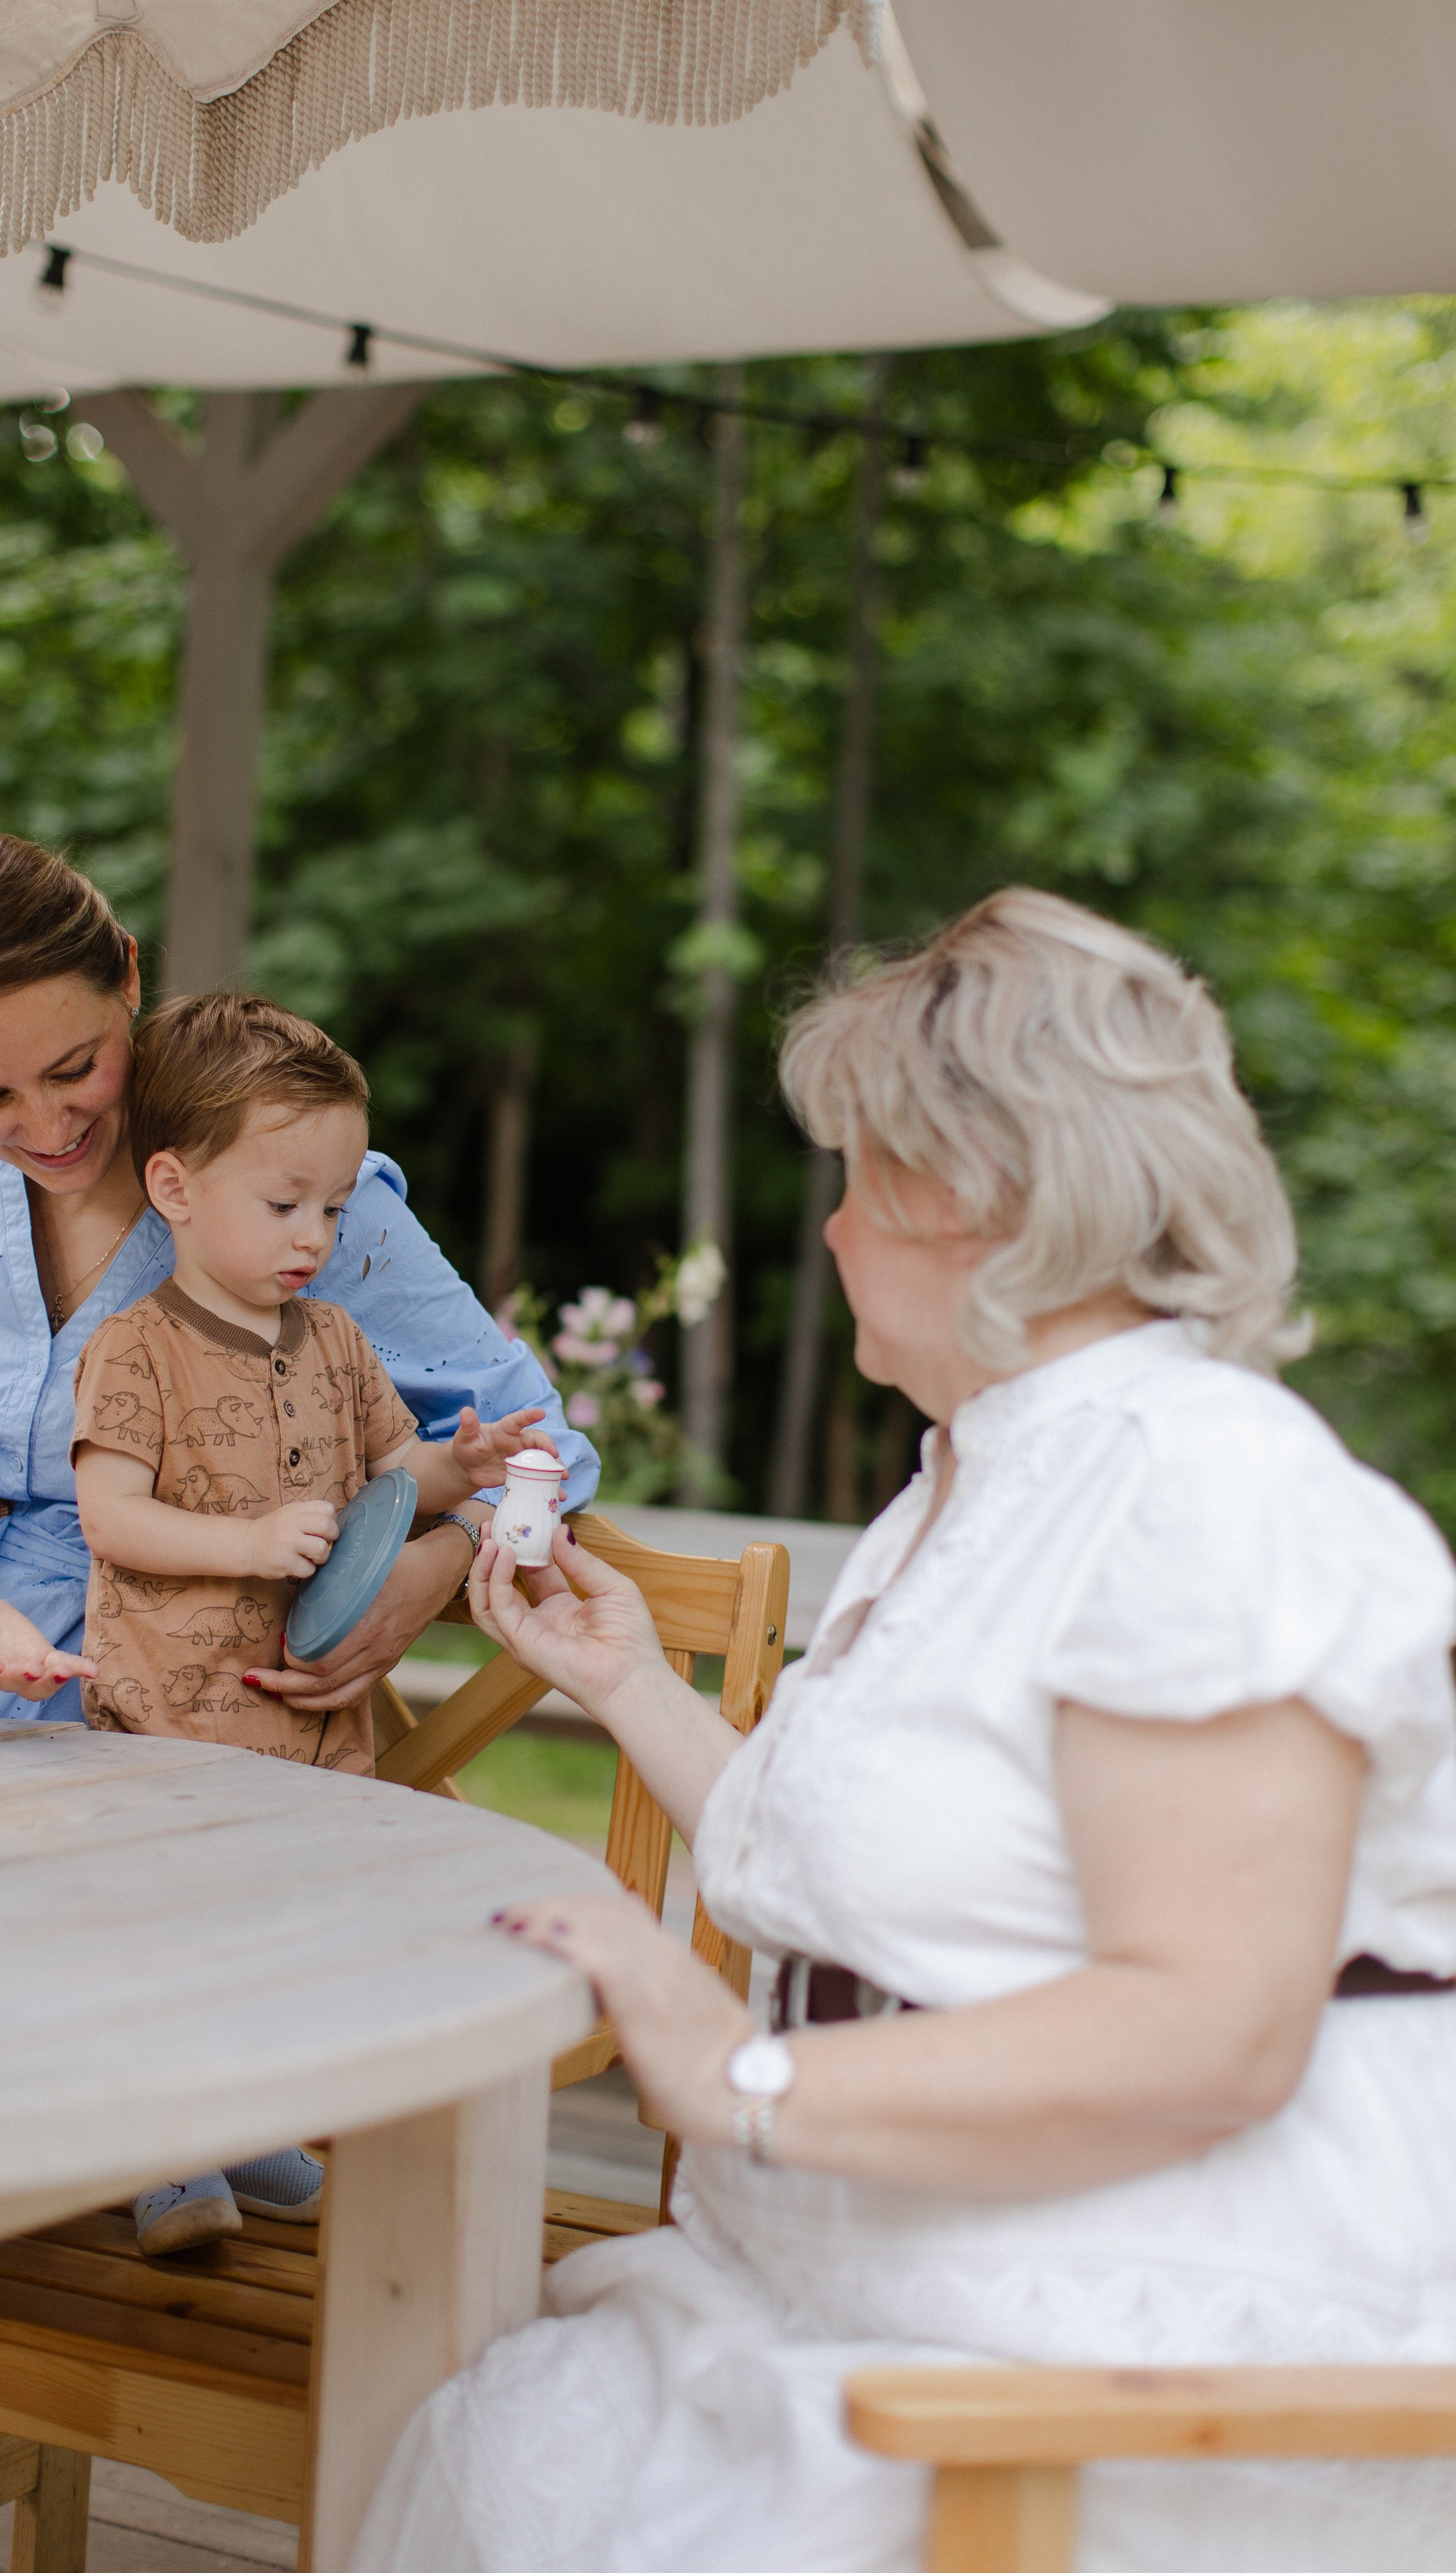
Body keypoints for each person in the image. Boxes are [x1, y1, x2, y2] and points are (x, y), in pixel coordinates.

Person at [352, 888, 1456, 2573]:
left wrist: (736, 2072)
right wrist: (628, 1681)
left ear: (964, 1193)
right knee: (483, 2429)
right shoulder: (980, 1479)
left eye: (855, 1181)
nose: (831, 1232)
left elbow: (1209, 2028)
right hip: (868, 2293)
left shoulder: (1200, 1485)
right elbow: (863, 1875)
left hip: (1118, 2372)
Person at [0, 832, 598, 1733]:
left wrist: (430, 1570)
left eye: (74, 1069)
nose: (47, 1128)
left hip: (151, 1687)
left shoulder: (294, 1195)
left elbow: (538, 1440)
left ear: (129, 976)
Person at [73, 988, 561, 1769]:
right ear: (175, 1188)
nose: (313, 1237)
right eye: (282, 1205)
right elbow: (111, 1520)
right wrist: (250, 1543)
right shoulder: (135, 1350)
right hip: (162, 1742)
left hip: (324, 1743)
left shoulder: (336, 1339)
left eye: (333, 1210)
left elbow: (400, 1476)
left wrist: (462, 1467)